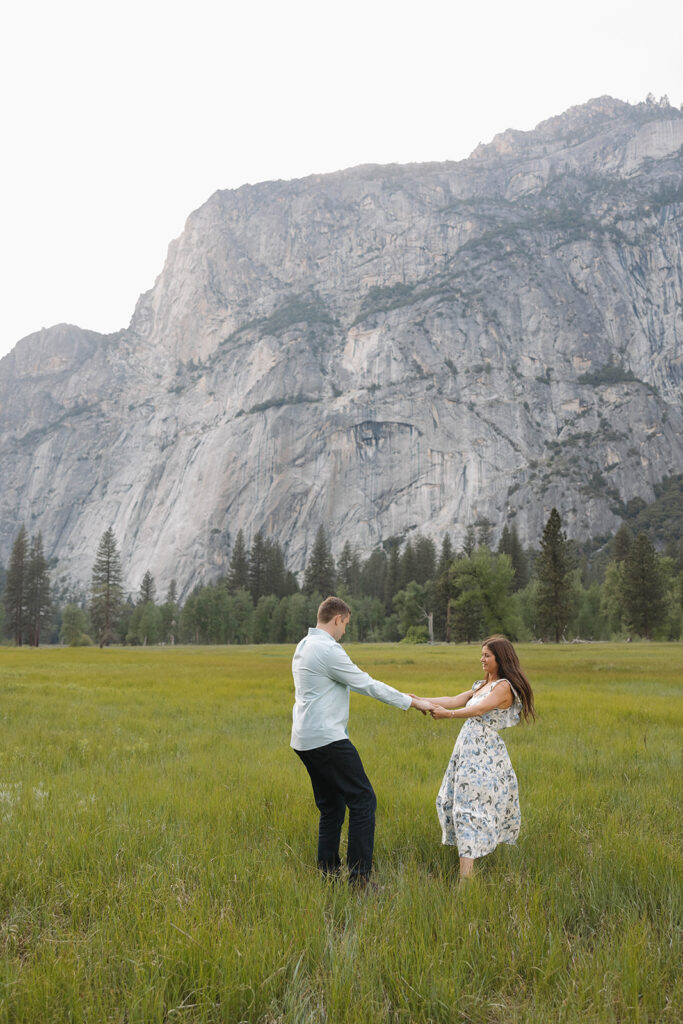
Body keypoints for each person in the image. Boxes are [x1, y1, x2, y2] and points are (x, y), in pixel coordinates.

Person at [291, 595, 433, 886]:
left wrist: (404, 696)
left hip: (304, 739)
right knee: (363, 800)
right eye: (345, 625)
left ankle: (328, 874)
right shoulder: (328, 649)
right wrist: (411, 702)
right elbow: (366, 684)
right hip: (327, 739)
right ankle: (360, 881)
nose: (344, 632)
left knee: (332, 807)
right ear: (337, 619)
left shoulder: (305, 645)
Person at [421, 635, 535, 880]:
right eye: (482, 654)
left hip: (483, 753)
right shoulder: (482, 685)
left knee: (470, 808)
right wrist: (417, 700)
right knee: (454, 802)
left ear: (500, 658)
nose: (481, 659)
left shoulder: (503, 686)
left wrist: (448, 715)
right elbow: (454, 700)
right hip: (466, 750)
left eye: (487, 655)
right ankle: (467, 872)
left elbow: (479, 709)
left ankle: (466, 879)